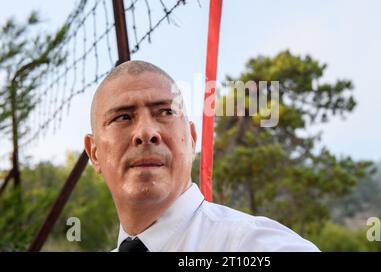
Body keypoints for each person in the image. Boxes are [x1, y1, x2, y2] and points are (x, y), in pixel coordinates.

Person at [84, 60, 319, 252]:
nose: (146, 132)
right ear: (94, 153)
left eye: (165, 112)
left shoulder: (254, 246)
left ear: (192, 139)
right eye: (123, 117)